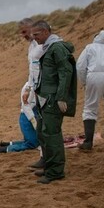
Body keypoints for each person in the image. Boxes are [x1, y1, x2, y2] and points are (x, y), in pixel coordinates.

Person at [30, 20, 77, 184]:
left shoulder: (56, 48)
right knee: (43, 133)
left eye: (36, 34)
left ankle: (55, 171)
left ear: (45, 32)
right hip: (45, 98)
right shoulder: (49, 48)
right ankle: (50, 167)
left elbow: (66, 72)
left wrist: (61, 97)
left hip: (52, 99)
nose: (34, 38)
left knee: (52, 135)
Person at [18, 18, 44, 168]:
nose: (23, 35)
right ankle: (42, 151)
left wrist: (32, 88)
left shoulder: (42, 45)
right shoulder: (32, 46)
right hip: (34, 85)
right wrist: (28, 88)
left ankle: (42, 150)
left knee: (36, 113)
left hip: (42, 86)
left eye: (24, 31)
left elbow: (40, 69)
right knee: (28, 108)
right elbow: (32, 70)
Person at [0, 87, 39, 153]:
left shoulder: (32, 86)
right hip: (28, 117)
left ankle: (7, 144)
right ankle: (3, 149)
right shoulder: (30, 87)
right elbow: (25, 105)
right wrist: (33, 120)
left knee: (32, 140)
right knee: (32, 144)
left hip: (28, 116)